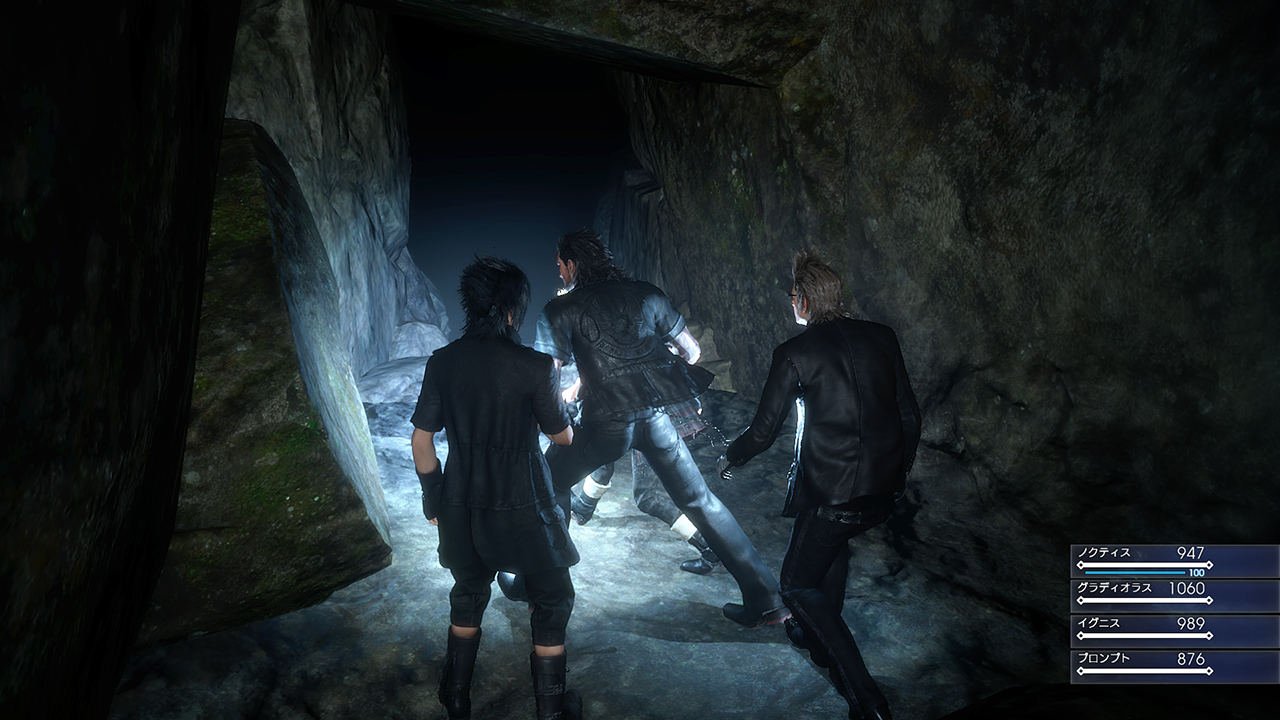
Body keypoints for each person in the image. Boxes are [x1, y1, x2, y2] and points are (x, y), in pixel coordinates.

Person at [533, 228, 788, 628]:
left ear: (571, 264)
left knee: (548, 484)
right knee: (700, 500)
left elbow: (547, 379)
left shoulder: (559, 310)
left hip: (604, 424)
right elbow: (692, 351)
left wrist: (556, 417)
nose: (560, 272)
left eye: (561, 265)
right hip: (655, 418)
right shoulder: (646, 294)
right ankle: (768, 599)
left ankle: (546, 592)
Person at [718, 249, 921, 720]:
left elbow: (763, 431)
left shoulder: (794, 353)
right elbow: (910, 415)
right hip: (881, 490)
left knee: (795, 585)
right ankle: (814, 638)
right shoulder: (882, 337)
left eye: (793, 296)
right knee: (830, 546)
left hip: (833, 496)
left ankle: (867, 702)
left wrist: (732, 455)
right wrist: (898, 474)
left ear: (804, 302)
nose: (792, 303)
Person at [410, 256, 583, 720]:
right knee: (553, 598)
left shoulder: (443, 362)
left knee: (468, 592)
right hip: (525, 503)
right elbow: (562, 437)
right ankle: (551, 711)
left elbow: (422, 442)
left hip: (461, 504)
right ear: (512, 310)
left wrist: (433, 499)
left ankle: (457, 699)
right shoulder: (536, 366)